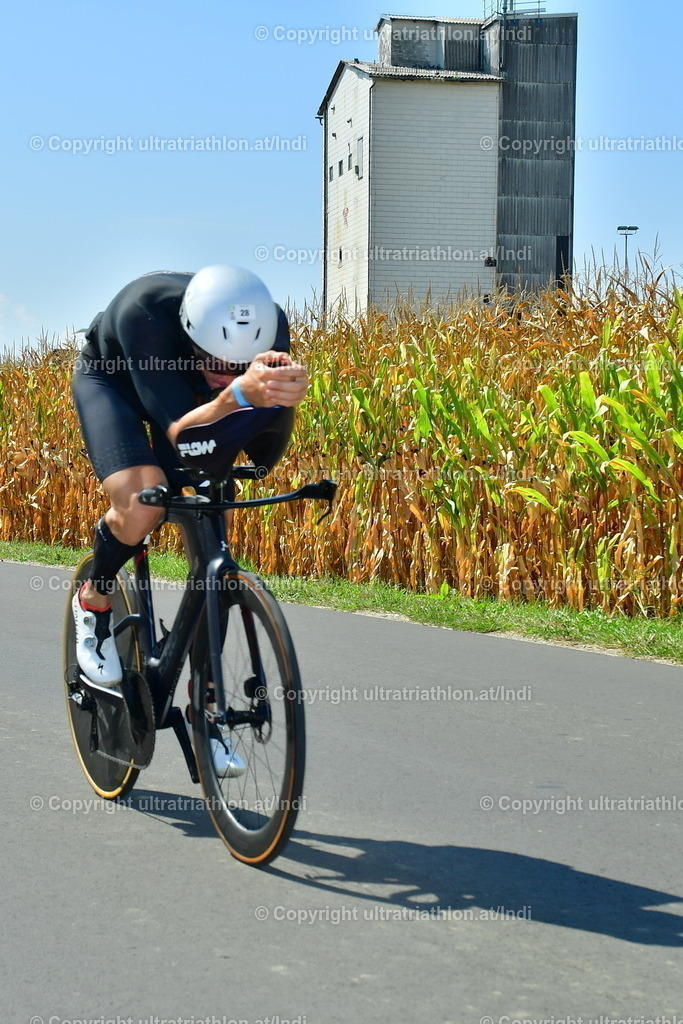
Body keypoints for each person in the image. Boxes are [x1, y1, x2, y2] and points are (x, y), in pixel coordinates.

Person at [70, 265, 308, 775]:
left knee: (213, 541)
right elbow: (180, 433)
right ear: (193, 336)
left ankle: (210, 711)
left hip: (197, 402)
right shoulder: (146, 314)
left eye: (237, 362)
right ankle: (94, 597)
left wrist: (271, 409)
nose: (227, 369)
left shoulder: (271, 327)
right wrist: (235, 394)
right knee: (143, 500)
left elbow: (263, 436)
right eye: (217, 361)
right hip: (117, 383)